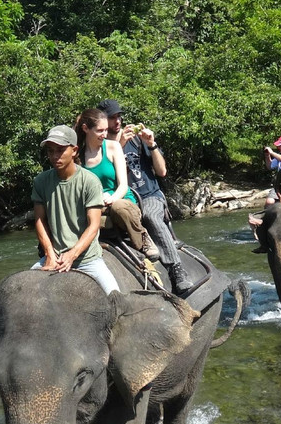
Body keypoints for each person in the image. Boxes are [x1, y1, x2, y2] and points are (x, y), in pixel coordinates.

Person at [97, 98, 190, 295]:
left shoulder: (137, 140)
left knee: (150, 215)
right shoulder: (101, 146)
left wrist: (152, 144)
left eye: (119, 116)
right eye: (112, 118)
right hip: (122, 200)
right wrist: (119, 144)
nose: (117, 121)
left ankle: (177, 269)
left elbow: (162, 171)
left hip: (149, 195)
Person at [30, 124, 120, 294]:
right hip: (54, 257)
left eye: (60, 150)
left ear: (74, 151)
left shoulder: (90, 181)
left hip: (88, 260)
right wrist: (49, 254)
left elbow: (93, 225)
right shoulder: (41, 182)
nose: (54, 156)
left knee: (115, 296)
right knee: (25, 292)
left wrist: (72, 254)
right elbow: (39, 220)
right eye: (50, 151)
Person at [74, 108, 160, 262]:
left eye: (106, 130)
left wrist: (112, 198)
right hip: (94, 205)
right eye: (100, 131)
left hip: (120, 201)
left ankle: (143, 238)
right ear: (86, 129)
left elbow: (123, 186)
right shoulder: (77, 155)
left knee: (118, 207)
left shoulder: (113, 147)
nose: (104, 134)